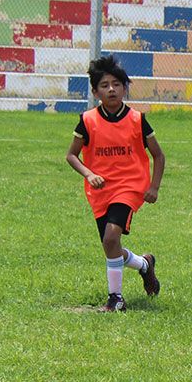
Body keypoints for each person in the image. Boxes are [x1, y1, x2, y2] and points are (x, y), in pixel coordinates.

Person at [65, 55, 164, 312]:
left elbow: (158, 155)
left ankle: (116, 299)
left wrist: (153, 187)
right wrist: (89, 174)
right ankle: (144, 265)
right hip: (100, 190)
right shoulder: (87, 120)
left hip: (130, 187)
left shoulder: (137, 119)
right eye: (105, 85)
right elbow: (71, 155)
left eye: (117, 84)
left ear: (124, 87)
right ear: (95, 91)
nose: (111, 89)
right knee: (111, 246)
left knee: (111, 238)